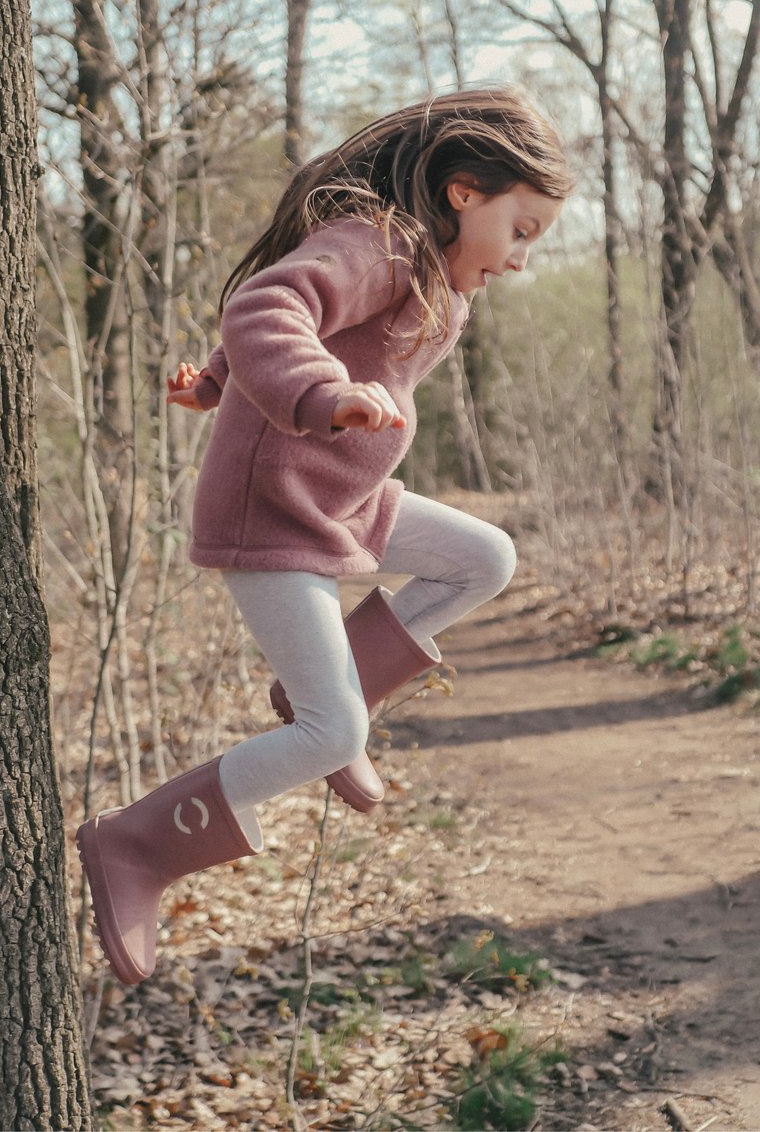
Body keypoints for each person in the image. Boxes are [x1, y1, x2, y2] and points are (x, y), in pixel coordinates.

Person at [76, 86, 573, 985]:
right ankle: (138, 843)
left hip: (341, 501)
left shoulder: (431, 276)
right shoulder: (382, 243)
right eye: (522, 230)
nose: (521, 257)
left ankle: (343, 685)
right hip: (273, 518)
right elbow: (270, 307)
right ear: (464, 192)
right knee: (330, 733)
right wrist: (321, 394)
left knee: (483, 559)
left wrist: (218, 381)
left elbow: (310, 315)